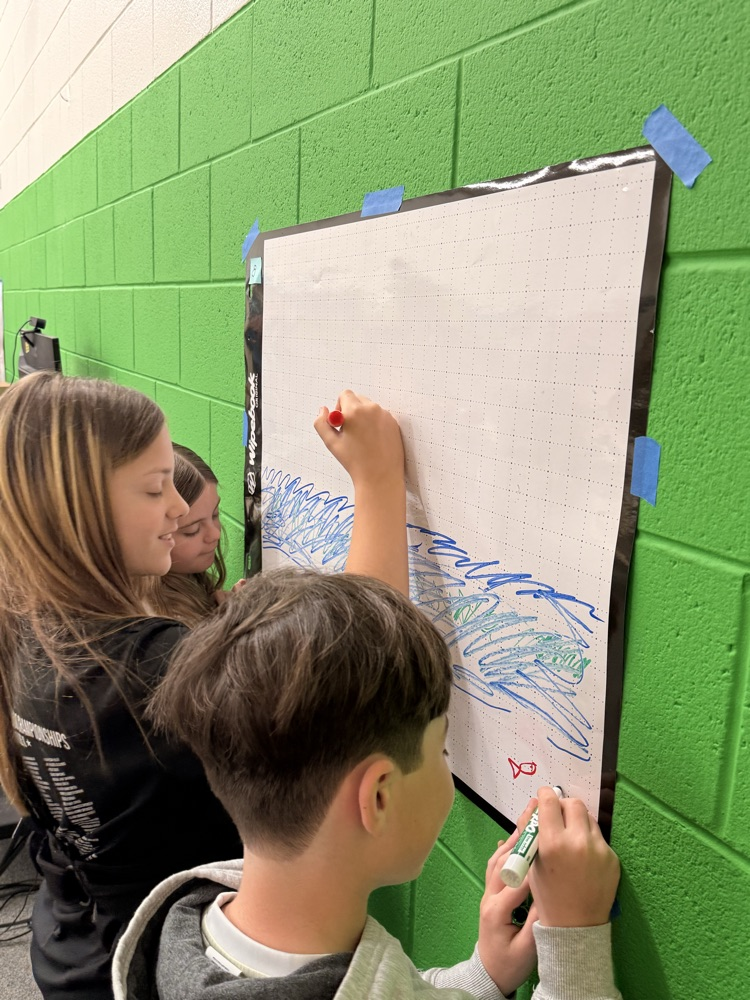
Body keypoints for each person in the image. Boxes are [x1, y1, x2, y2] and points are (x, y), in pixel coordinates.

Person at [0, 374, 407, 1000]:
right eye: (156, 488)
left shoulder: (32, 623)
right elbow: (376, 662)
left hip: (75, 940)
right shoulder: (148, 665)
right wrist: (378, 480)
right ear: (78, 511)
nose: (177, 510)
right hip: (145, 961)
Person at [113, 569, 622, 1000]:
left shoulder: (187, 925)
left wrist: (484, 975)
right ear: (378, 797)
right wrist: (574, 940)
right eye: (442, 751)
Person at [146, 445, 233, 625]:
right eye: (192, 530)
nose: (215, 534)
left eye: (215, 514)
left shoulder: (187, 574)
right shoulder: (167, 623)